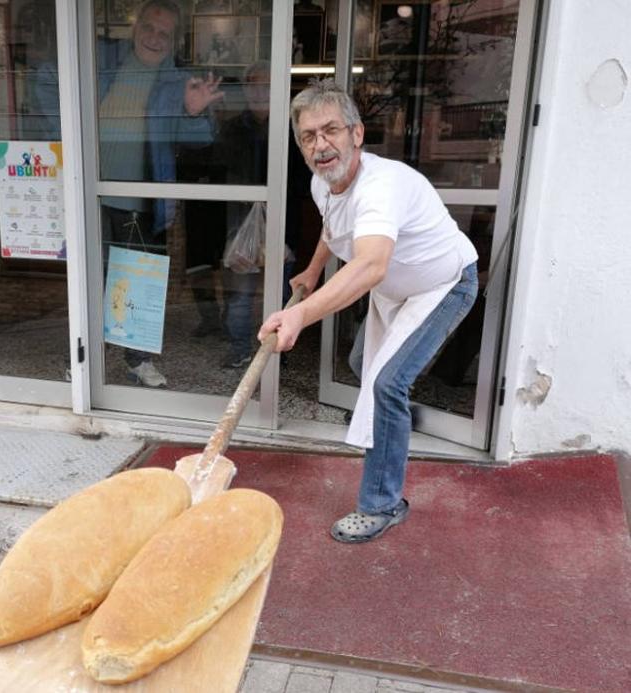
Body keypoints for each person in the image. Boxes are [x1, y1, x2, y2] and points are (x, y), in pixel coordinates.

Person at [258, 79, 479, 543]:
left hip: (443, 285)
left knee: (385, 383)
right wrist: (314, 271)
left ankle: (383, 503)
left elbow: (371, 264)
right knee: (364, 365)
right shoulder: (327, 182)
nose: (321, 145)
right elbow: (332, 227)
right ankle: (394, 420)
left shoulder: (383, 184)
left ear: (357, 134)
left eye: (331, 130)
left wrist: (300, 315)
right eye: (308, 136)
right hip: (396, 289)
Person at [97, 0, 223, 387]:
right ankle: (84, 359)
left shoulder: (175, 82)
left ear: (173, 41)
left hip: (140, 202)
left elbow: (198, 139)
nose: (154, 37)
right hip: (92, 195)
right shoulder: (102, 64)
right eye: (149, 27)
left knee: (138, 284)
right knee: (91, 280)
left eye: (164, 33)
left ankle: (138, 362)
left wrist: (193, 112)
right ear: (135, 28)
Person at [213, 61, 308, 368]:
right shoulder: (232, 129)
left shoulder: (292, 131)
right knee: (240, 298)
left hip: (282, 225)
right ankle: (240, 348)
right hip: (241, 226)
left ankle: (277, 353)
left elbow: (302, 184)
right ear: (245, 88)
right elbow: (221, 176)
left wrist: (287, 232)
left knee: (279, 295)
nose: (260, 91)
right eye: (253, 84)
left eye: (267, 85)